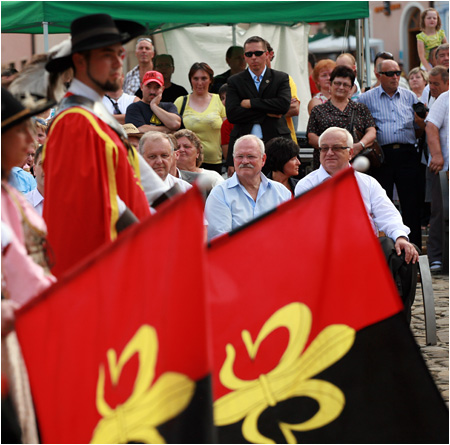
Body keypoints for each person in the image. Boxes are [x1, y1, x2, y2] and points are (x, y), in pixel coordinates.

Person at [44, 14, 153, 277]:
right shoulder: (75, 122)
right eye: (107, 55)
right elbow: (95, 203)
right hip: (104, 270)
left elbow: (142, 181)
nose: (118, 62)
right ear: (80, 61)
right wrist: (149, 243)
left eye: (119, 53)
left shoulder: (93, 116)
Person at [295, 127, 419, 322]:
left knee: (403, 253)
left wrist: (401, 237)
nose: (329, 153)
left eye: (336, 148)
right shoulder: (307, 185)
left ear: (350, 152)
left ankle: (394, 325)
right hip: (326, 254)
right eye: (324, 148)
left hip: (367, 251)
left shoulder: (368, 183)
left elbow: (389, 216)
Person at [1, 87, 56, 445]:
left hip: (24, 324)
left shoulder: (10, 193)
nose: (31, 139)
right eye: (19, 130)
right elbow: (17, 266)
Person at [359, 58, 422, 248]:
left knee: (412, 204)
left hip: (408, 153)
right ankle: (385, 249)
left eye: (397, 73)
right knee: (381, 204)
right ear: (378, 75)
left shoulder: (410, 96)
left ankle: (415, 250)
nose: (395, 77)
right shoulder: (366, 98)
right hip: (382, 157)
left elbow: (419, 127)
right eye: (390, 73)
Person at [224, 36, 292, 174]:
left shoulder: (281, 78)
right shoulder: (234, 81)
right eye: (249, 54)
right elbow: (232, 114)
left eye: (258, 53)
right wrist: (268, 110)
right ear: (245, 57)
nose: (254, 57)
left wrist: (251, 103)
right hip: (244, 143)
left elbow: (283, 106)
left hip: (276, 142)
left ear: (267, 54)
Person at [205, 134, 291, 241]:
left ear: (263, 159)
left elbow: (288, 233)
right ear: (233, 159)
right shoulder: (220, 194)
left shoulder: (281, 193)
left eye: (250, 156)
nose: (245, 161)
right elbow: (221, 241)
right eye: (240, 156)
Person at [307, 65, 376, 170]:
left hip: (356, 164)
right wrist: (331, 149)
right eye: (337, 83)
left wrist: (360, 145)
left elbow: (371, 130)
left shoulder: (360, 108)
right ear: (330, 85)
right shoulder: (318, 110)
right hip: (327, 165)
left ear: (351, 88)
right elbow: (311, 137)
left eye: (345, 84)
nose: (341, 87)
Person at [174, 62, 226, 173]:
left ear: (211, 80)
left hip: (214, 162)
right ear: (190, 80)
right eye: (195, 78)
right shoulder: (181, 101)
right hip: (187, 163)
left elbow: (228, 133)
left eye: (204, 78)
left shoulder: (219, 100)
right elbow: (172, 131)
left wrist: (230, 161)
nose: (199, 83)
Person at [425, 90, 449, 273]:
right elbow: (431, 125)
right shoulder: (445, 98)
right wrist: (437, 155)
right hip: (446, 167)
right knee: (441, 212)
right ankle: (437, 256)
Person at [265, 40, 300, 144]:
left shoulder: (285, 79)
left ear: (270, 54)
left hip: (285, 141)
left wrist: (256, 106)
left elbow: (294, 109)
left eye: (262, 53)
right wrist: (277, 105)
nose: (256, 58)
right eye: (250, 54)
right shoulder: (243, 81)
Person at [173, 129, 224, 196]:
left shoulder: (213, 177)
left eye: (186, 146)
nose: (181, 150)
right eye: (177, 147)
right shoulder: (168, 178)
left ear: (197, 152)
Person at [416, 8, 447, 72]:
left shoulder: (441, 34)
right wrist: (429, 69)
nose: (432, 20)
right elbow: (421, 56)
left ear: (438, 20)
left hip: (440, 62)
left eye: (434, 18)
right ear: (423, 20)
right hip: (427, 64)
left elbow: (447, 48)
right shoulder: (421, 37)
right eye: (429, 18)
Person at [24, 144, 45, 216]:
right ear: (35, 169)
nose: (47, 169)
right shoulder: (23, 205)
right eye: (42, 164)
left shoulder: (69, 204)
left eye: (51, 163)